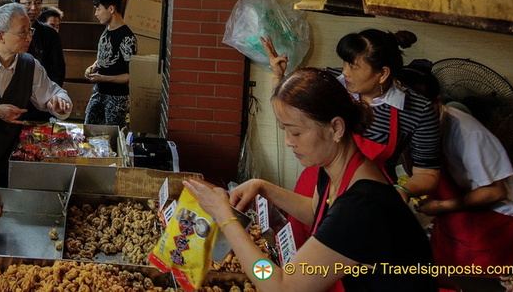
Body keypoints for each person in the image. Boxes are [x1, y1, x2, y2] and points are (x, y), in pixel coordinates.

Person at [184, 67, 436, 292]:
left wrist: (226, 219)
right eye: (285, 131)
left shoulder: (362, 204)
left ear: (336, 128)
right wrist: (263, 187)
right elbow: (318, 211)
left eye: (296, 132)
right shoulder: (337, 169)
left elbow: (281, 287)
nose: (288, 141)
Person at [264, 29, 441, 246]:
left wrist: (404, 190)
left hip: (366, 195)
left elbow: (428, 173)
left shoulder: (417, 109)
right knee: (300, 250)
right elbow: (292, 119)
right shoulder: (334, 84)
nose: (345, 72)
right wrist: (279, 76)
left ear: (383, 73)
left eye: (353, 66)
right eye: (345, 63)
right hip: (316, 184)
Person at [400, 65, 513, 280]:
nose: (412, 122)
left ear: (438, 102)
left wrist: (442, 206)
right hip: (456, 223)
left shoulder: (468, 133)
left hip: (497, 226)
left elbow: (494, 192)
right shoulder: (410, 129)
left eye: (420, 113)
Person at [0, 3, 71, 192]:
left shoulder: (29, 65)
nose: (29, 38)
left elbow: (53, 93)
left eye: (30, 31)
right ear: (1, 36)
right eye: (22, 33)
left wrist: (59, 103)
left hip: (8, 161)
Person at [84, 0, 137, 127]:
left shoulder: (127, 37)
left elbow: (131, 76)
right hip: (99, 92)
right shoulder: (107, 29)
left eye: (98, 8)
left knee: (111, 140)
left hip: (117, 99)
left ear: (111, 9)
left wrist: (103, 78)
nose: (96, 13)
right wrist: (95, 65)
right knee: (89, 130)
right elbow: (106, 55)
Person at [13, 0, 65, 86]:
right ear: (17, 4)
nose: (33, 8)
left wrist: (50, 94)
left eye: (37, 3)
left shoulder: (50, 34)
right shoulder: (8, 32)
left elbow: (58, 69)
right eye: (28, 3)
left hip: (41, 91)